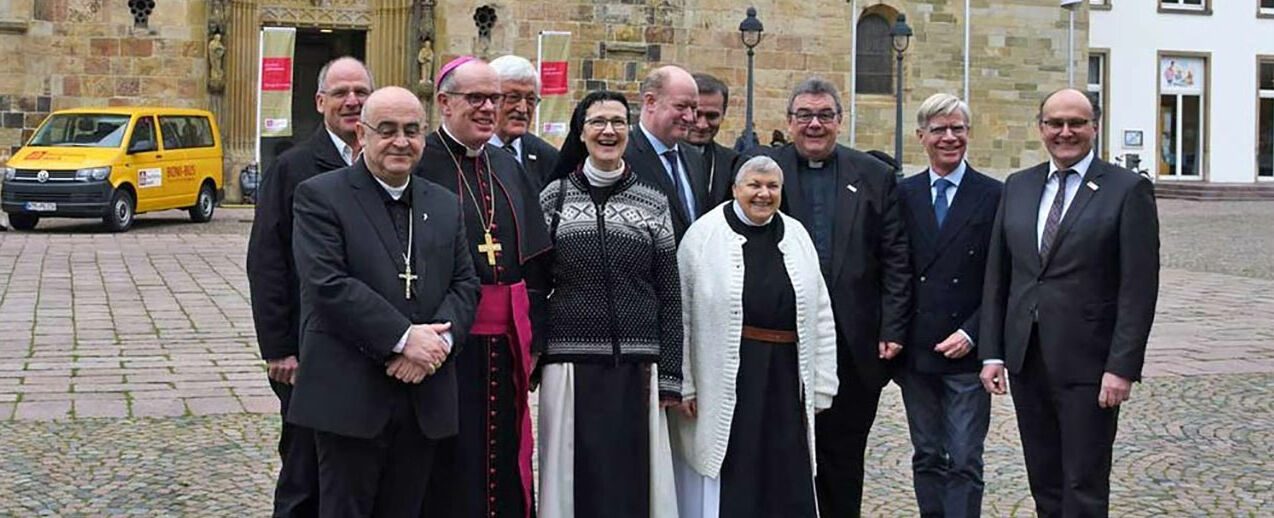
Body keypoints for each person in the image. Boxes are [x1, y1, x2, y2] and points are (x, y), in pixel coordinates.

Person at [288, 86, 480, 517]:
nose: (401, 141)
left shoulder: (445, 204)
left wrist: (435, 347)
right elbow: (327, 283)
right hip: (349, 395)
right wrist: (402, 338)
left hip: (423, 397)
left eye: (412, 131)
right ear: (362, 134)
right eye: (387, 130)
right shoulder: (320, 195)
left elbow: (466, 284)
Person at [979, 88, 1159, 517]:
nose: (1065, 132)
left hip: (1089, 364)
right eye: (1055, 123)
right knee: (1044, 478)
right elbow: (999, 276)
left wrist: (1121, 367)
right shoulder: (1019, 186)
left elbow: (1138, 289)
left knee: (1084, 482)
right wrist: (992, 352)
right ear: (1041, 128)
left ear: (1094, 127)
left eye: (1076, 123)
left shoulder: (1127, 190)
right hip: (1028, 358)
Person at [765, 77, 912, 517]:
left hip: (852, 344)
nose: (815, 124)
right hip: (776, 342)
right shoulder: (761, 169)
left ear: (840, 122)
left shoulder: (873, 175)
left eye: (825, 115)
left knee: (842, 458)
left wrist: (893, 327)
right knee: (780, 453)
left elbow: (896, 258)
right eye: (805, 115)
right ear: (789, 122)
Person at [413, 56, 552, 518]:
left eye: (495, 98)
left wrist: (534, 338)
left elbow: (534, 266)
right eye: (476, 98)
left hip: (507, 341)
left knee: (503, 451)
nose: (489, 108)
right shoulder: (419, 163)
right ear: (444, 103)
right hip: (444, 340)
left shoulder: (508, 166)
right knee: (450, 460)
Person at [537, 90, 682, 518]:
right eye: (598, 122)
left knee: (634, 482)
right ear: (581, 133)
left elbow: (669, 290)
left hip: (639, 363)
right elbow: (536, 285)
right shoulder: (554, 199)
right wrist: (537, 352)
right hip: (569, 363)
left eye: (618, 122)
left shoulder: (653, 202)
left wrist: (671, 375)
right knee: (571, 479)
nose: (609, 131)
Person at [672, 155, 838, 518]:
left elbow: (821, 312)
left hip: (784, 375)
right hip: (730, 375)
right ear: (735, 189)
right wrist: (685, 382)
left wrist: (823, 383)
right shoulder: (704, 235)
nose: (763, 194)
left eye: (772, 186)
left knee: (785, 470)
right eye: (754, 185)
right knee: (736, 466)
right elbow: (679, 312)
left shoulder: (797, 235)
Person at [246, 56, 373, 518]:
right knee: (304, 469)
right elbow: (267, 260)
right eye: (341, 93)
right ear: (320, 102)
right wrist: (279, 347)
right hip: (308, 347)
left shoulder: (394, 160)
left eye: (360, 91)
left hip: (374, 345)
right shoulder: (294, 166)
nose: (352, 101)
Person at [896, 93, 1002, 518]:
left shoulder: (993, 194)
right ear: (921, 136)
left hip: (967, 351)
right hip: (918, 350)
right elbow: (894, 270)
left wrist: (974, 332)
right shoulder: (903, 194)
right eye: (939, 129)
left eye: (957, 128)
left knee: (963, 458)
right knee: (927, 453)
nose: (949, 137)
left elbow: (1001, 277)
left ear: (969, 135)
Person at [621, 65, 708, 242]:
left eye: (693, 108)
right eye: (681, 106)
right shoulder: (622, 157)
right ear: (651, 102)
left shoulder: (694, 157)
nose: (690, 117)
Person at [489, 54, 560, 192]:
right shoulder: (468, 150)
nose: (523, 109)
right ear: (491, 99)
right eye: (513, 97)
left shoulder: (548, 157)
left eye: (530, 100)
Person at [686, 72, 741, 206]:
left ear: (723, 115)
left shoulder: (734, 163)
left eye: (712, 116)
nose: (702, 125)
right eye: (696, 114)